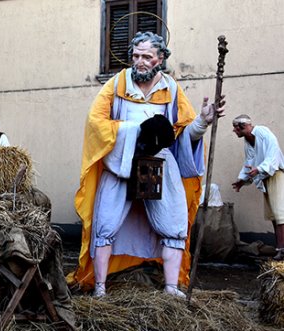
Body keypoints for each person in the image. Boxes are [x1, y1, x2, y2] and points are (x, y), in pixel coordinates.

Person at [70, 31, 225, 298]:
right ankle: (100, 288)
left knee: (174, 222)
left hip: (159, 163)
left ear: (160, 58)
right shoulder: (116, 84)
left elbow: (182, 132)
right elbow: (96, 122)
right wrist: (136, 131)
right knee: (105, 222)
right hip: (121, 161)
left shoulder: (172, 88)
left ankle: (171, 287)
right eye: (135, 55)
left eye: (147, 56)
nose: (139, 61)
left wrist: (202, 122)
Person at [231, 115, 284, 260]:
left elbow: (273, 153)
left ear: (243, 126)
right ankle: (280, 248)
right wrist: (243, 180)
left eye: (236, 127)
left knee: (280, 214)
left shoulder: (262, 132)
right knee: (274, 215)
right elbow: (249, 161)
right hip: (266, 177)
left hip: (276, 174)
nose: (234, 130)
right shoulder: (247, 141)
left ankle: (282, 250)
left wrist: (259, 169)